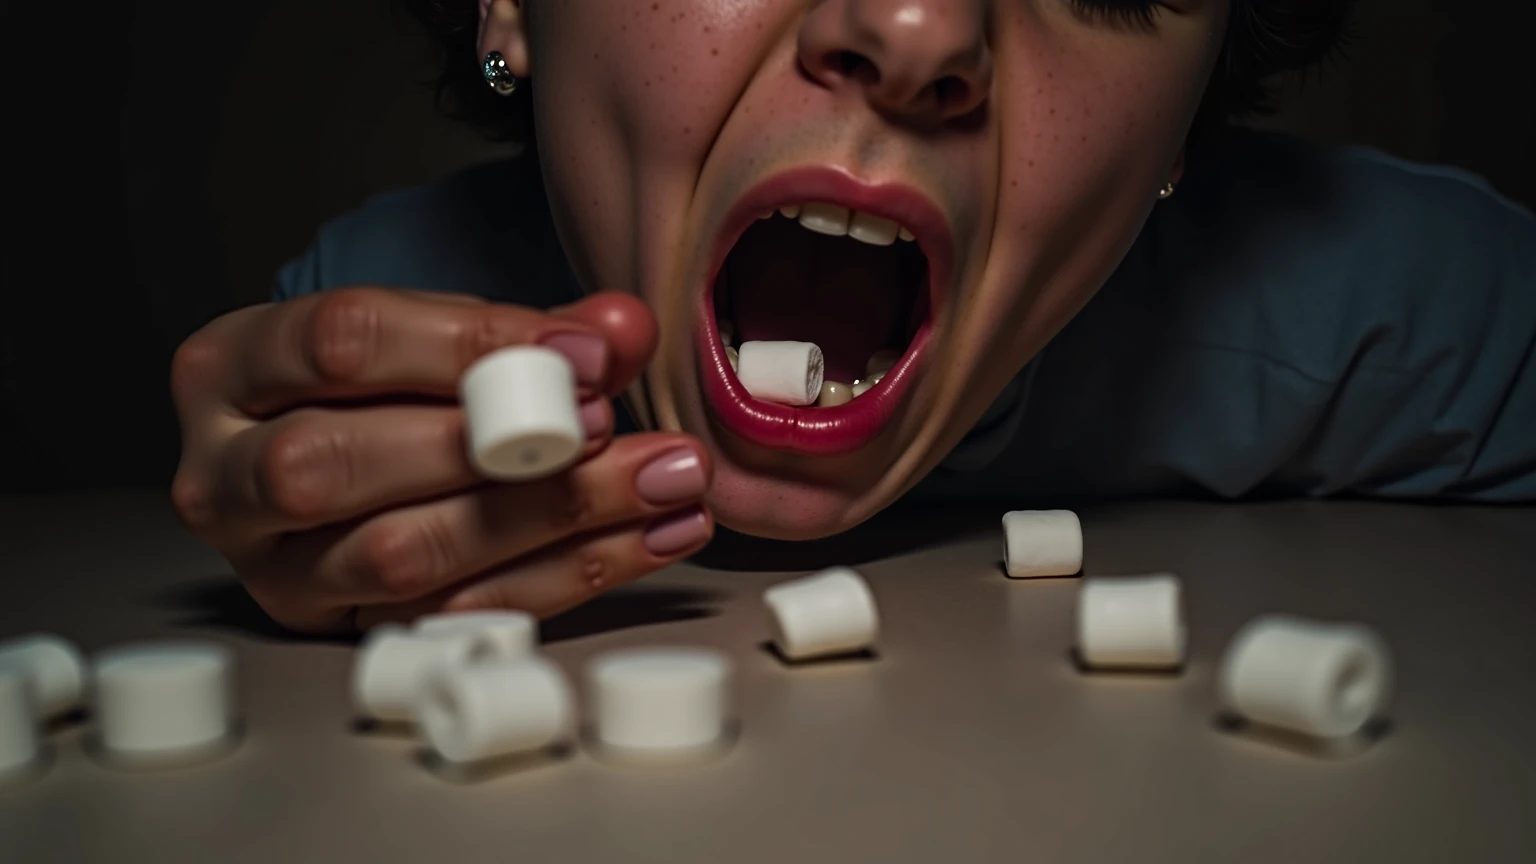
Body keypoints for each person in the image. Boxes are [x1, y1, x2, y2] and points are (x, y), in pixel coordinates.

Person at [170, 0, 1536, 633]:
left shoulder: (1419, 311)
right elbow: (289, 486)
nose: (920, 26)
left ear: (1192, 114)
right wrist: (317, 525)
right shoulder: (395, 312)